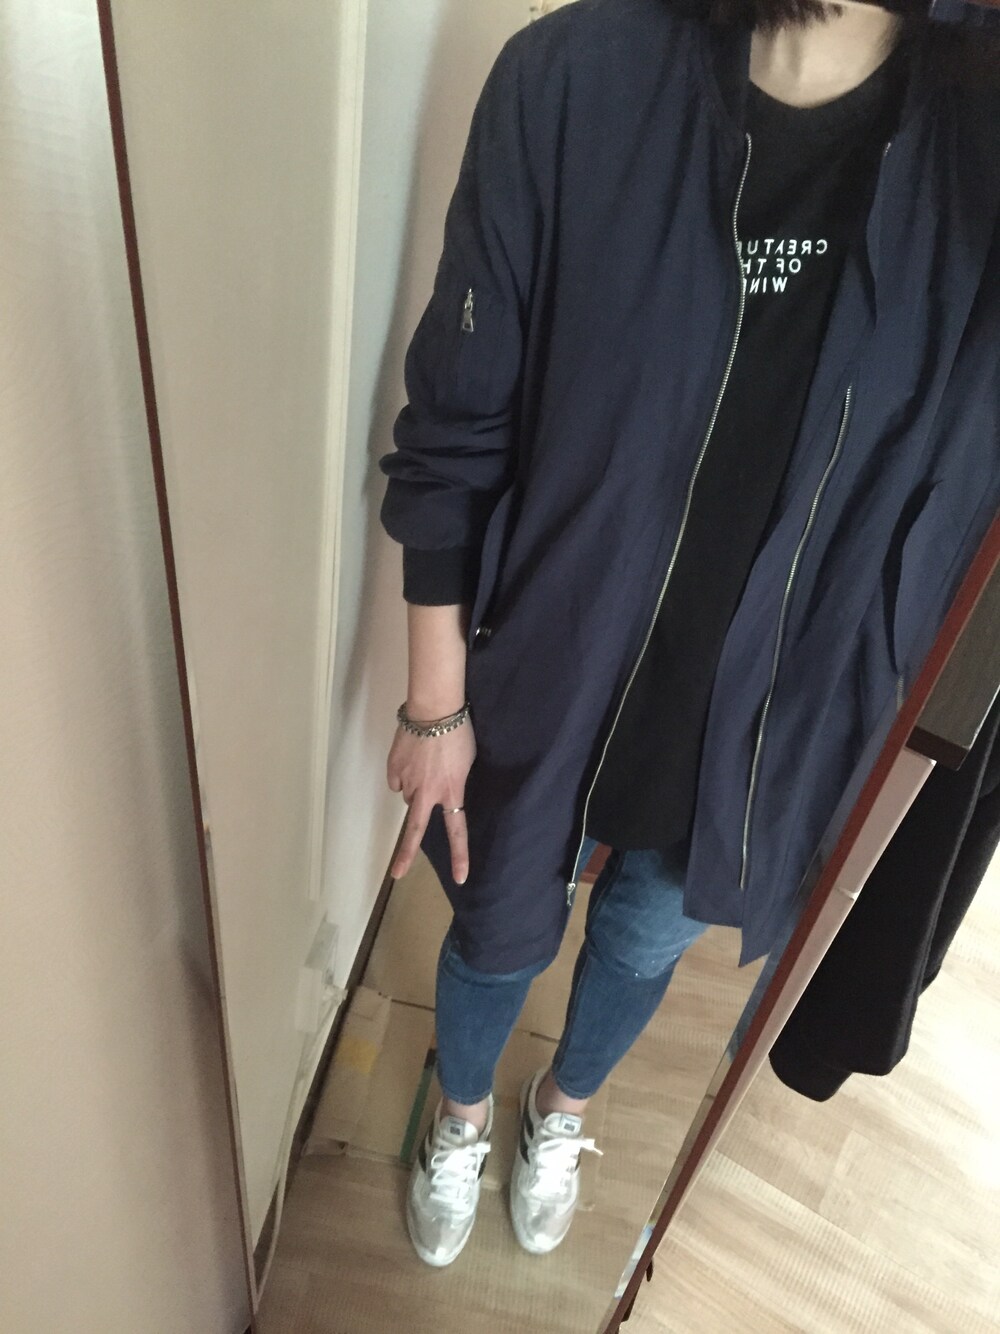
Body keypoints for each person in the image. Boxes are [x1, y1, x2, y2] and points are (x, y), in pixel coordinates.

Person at [378, 0, 1000, 1267]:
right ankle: (458, 1111)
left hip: (767, 710)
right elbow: (454, 423)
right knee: (496, 923)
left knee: (643, 933)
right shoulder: (574, 77)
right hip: (548, 656)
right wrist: (434, 703)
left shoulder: (976, 154)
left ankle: (563, 1110)